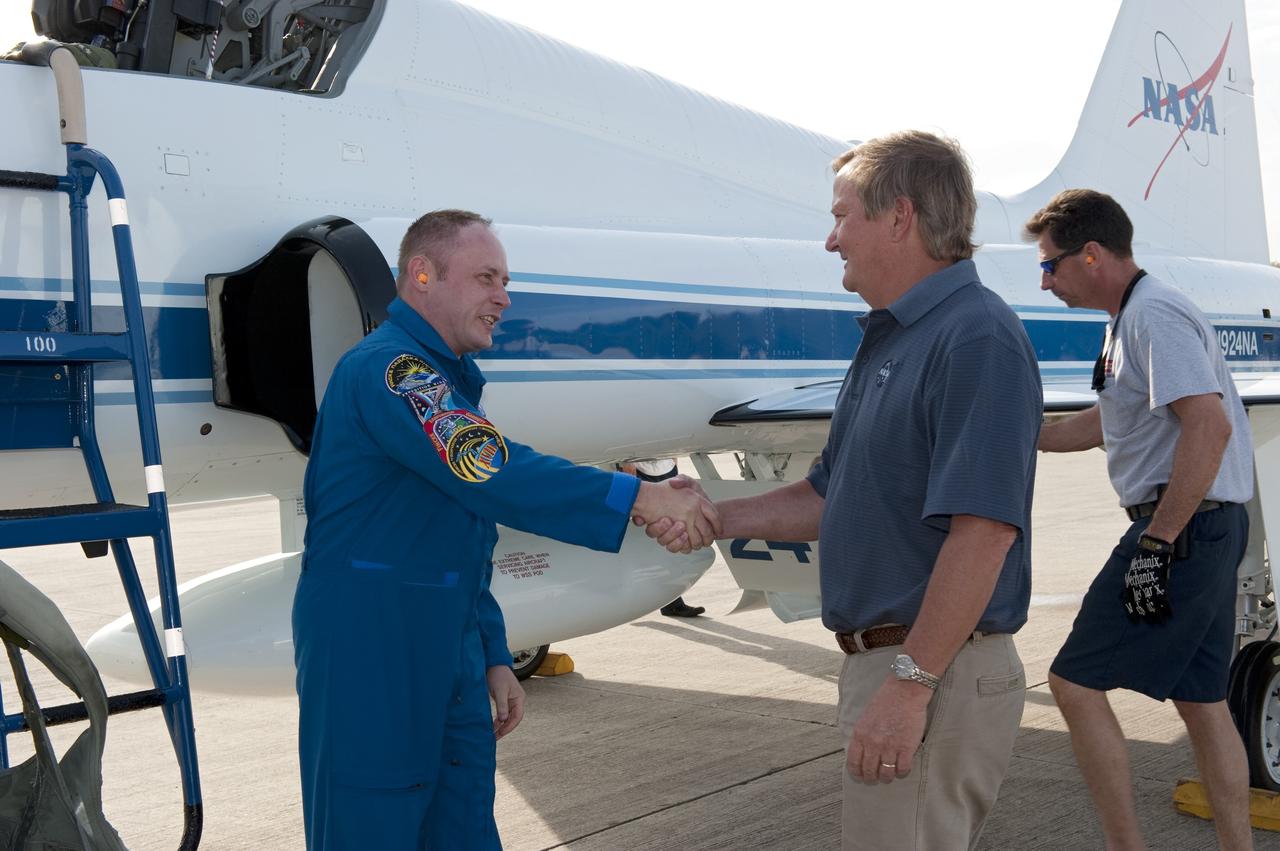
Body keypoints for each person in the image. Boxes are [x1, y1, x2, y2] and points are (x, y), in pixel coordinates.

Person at [651, 130, 1042, 850]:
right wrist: (715, 515)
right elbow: (830, 495)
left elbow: (983, 533)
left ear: (899, 216)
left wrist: (908, 683)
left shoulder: (976, 337)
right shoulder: (891, 339)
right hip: (903, 664)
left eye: (842, 217)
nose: (832, 240)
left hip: (932, 668)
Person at [292, 209, 719, 850]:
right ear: (423, 275)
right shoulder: (393, 371)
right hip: (372, 646)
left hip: (448, 645)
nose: (504, 297)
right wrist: (639, 495)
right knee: (371, 823)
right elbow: (490, 469)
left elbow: (464, 535)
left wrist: (492, 653)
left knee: (462, 824)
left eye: (506, 280)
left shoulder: (446, 381)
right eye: (487, 277)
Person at [1029, 189, 1255, 850]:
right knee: (1204, 702)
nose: (1045, 281)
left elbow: (1206, 424)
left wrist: (1157, 541)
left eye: (1050, 264)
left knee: (1072, 681)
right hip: (1206, 528)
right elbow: (1112, 422)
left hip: (1180, 528)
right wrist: (1030, 435)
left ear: (1091, 254)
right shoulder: (1127, 320)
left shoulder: (1152, 314)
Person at [619, 460, 706, 617]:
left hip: (665, 468)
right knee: (644, 539)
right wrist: (627, 463)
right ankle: (635, 598)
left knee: (669, 534)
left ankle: (672, 603)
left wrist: (673, 460)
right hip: (640, 469)